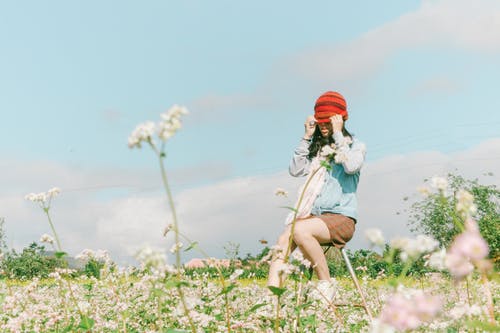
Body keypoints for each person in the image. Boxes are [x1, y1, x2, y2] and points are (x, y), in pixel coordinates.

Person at [267, 91, 366, 299]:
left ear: (339, 120)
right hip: (314, 217)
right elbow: (295, 170)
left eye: (327, 121)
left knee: (300, 230)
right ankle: (271, 297)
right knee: (284, 238)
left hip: (341, 218)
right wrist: (306, 137)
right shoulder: (318, 150)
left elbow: (350, 166)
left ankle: (326, 284)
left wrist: (338, 134)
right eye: (320, 121)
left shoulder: (355, 146)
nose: (323, 126)